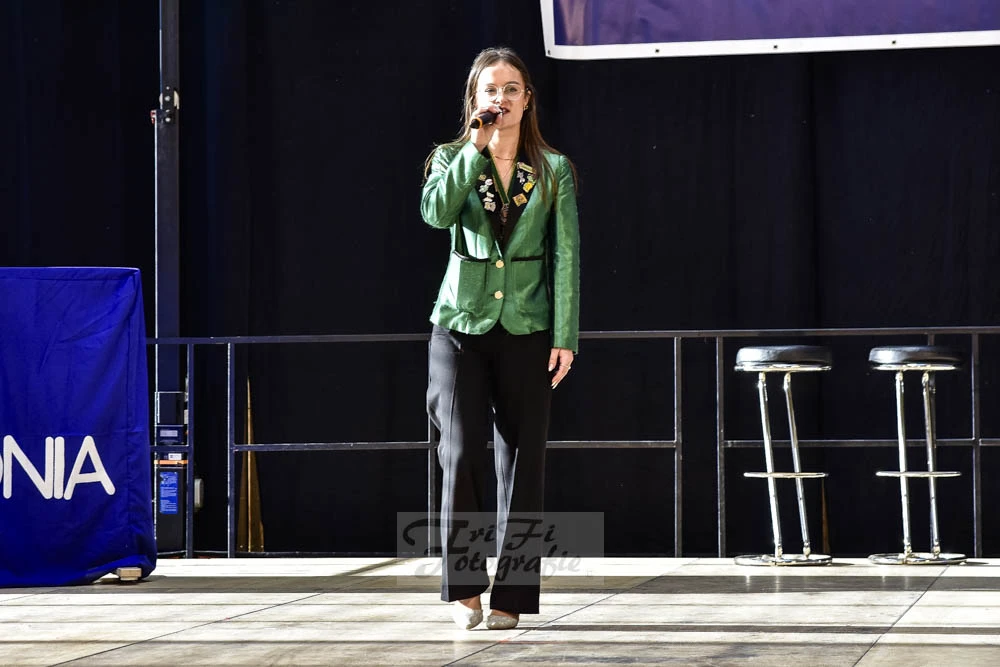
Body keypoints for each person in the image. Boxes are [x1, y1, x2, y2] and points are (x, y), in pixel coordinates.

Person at [421, 46, 580, 631]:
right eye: (490, 89)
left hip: (528, 325)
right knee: (460, 452)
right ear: (475, 98)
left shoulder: (553, 168)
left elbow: (566, 255)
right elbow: (436, 214)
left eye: (512, 89)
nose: (501, 98)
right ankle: (464, 584)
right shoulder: (451, 156)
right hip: (460, 323)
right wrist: (474, 147)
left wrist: (565, 334)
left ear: (527, 99)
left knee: (523, 461)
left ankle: (513, 594)